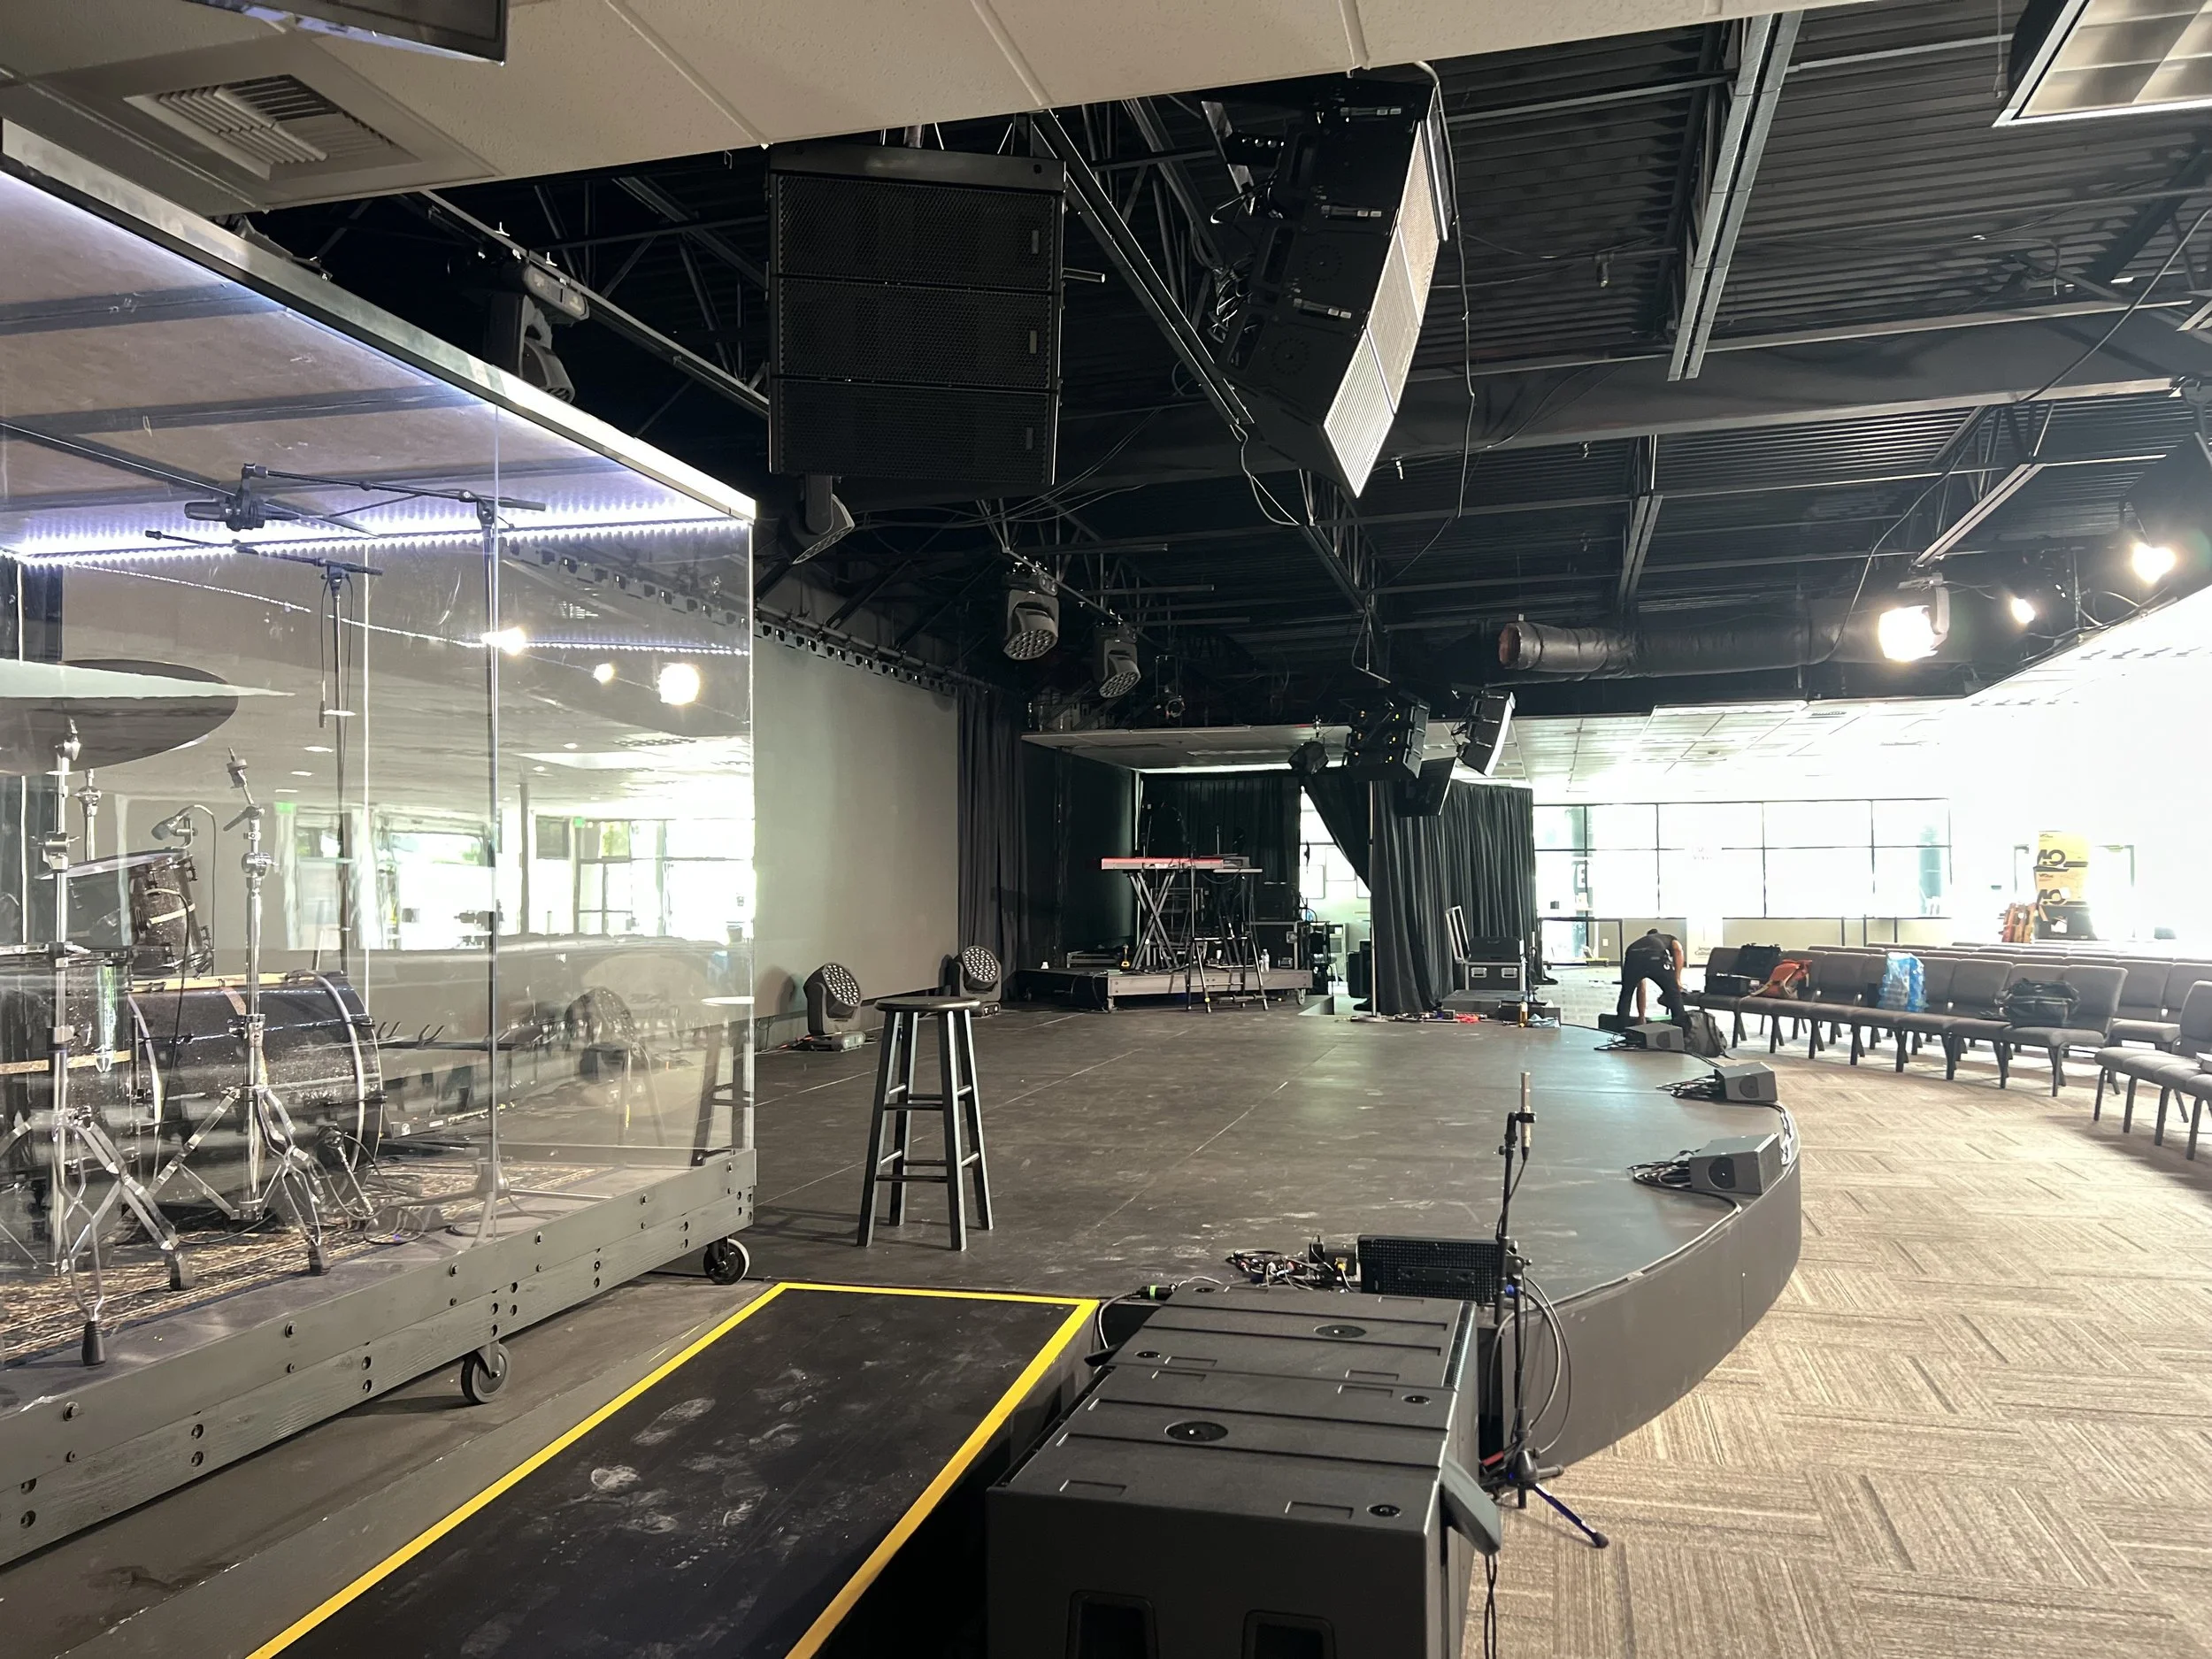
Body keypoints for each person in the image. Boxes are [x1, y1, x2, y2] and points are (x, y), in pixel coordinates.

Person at [1617, 927, 1688, 1026]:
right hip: (1655, 957)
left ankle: (1621, 1030)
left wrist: (1641, 1016)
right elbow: (1677, 949)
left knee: (1626, 994)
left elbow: (1641, 987)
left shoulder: (1641, 941)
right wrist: (1677, 979)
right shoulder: (1669, 938)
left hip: (1632, 955)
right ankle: (1681, 1028)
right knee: (1674, 994)